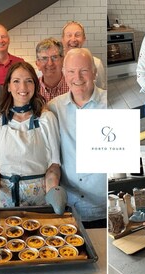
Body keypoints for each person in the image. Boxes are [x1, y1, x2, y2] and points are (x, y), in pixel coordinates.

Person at [0, 62, 65, 221]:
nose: (22, 86)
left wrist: (53, 190)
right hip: (4, 197)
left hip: (40, 199)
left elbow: (54, 165)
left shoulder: (46, 119)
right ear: (8, 86)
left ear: (35, 86)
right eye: (16, 81)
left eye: (28, 80)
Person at [48, 48, 107, 228]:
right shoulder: (53, 108)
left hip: (103, 207)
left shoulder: (110, 104)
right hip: (67, 206)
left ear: (94, 73)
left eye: (84, 71)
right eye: (71, 71)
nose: (78, 77)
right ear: (64, 75)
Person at [61, 21, 106, 90]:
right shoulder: (55, 65)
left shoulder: (96, 63)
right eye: (69, 35)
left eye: (78, 35)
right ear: (63, 39)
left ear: (84, 39)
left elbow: (101, 91)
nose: (73, 39)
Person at [35, 37, 69, 102]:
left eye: (54, 57)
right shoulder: (32, 88)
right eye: (44, 58)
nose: (50, 63)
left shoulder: (74, 86)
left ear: (63, 60)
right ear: (38, 64)